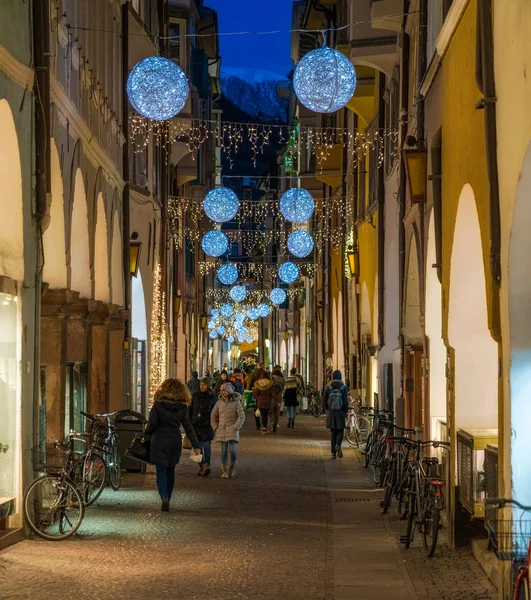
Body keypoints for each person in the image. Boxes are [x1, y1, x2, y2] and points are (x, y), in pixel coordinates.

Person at [144, 378, 201, 511]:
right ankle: (168, 496)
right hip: (174, 440)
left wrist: (147, 435)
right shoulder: (182, 407)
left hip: (159, 439)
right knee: (171, 469)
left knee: (161, 470)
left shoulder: (158, 404)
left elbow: (152, 423)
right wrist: (196, 445)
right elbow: (188, 427)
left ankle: (163, 495)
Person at [211, 382, 245, 478]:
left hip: (232, 429)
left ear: (229, 391)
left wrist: (236, 427)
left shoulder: (236, 403)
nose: (221, 392)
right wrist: (215, 426)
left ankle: (233, 465)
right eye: (221, 390)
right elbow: (213, 414)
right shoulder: (219, 403)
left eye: (224, 390)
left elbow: (241, 415)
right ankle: (225, 471)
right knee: (224, 450)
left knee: (232, 450)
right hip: (221, 429)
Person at [190, 377, 217, 476]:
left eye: (204, 384)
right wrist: (190, 421)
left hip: (207, 425)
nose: (201, 386)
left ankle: (206, 465)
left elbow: (215, 412)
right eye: (201, 384)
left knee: (206, 446)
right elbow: (191, 408)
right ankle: (202, 465)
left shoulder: (212, 397)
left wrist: (211, 422)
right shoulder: (195, 396)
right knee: (197, 447)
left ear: (208, 386)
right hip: (196, 425)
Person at [323, 370, 349, 459]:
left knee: (333, 432)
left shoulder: (329, 387)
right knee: (340, 431)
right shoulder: (343, 387)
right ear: (340, 377)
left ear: (333, 377)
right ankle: (338, 444)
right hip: (340, 412)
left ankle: (333, 454)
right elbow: (345, 401)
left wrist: (326, 409)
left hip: (331, 413)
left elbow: (324, 399)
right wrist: (346, 411)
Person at [271, 366, 285, 433]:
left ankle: (272, 422)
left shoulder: (271, 378)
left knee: (271, 411)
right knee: (277, 411)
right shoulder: (283, 379)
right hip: (279, 397)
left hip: (272, 397)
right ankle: (276, 423)